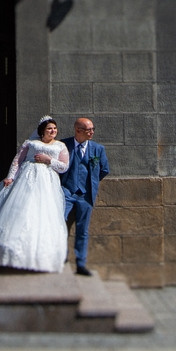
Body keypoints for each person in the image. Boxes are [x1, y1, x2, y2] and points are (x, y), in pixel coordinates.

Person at [0, 116, 71, 272]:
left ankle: (38, 256)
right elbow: (17, 161)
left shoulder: (60, 146)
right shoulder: (31, 143)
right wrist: (10, 177)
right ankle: (7, 252)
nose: (53, 131)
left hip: (47, 182)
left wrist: (49, 160)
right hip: (26, 179)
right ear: (42, 131)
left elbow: (64, 167)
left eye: (54, 128)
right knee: (20, 210)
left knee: (42, 213)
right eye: (49, 129)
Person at [61, 116, 110, 276]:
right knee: (60, 226)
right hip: (66, 193)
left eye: (92, 129)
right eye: (89, 130)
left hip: (86, 195)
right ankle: (60, 259)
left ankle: (81, 264)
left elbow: (104, 169)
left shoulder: (98, 149)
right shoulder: (64, 145)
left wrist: (91, 184)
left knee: (83, 230)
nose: (92, 132)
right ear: (78, 130)